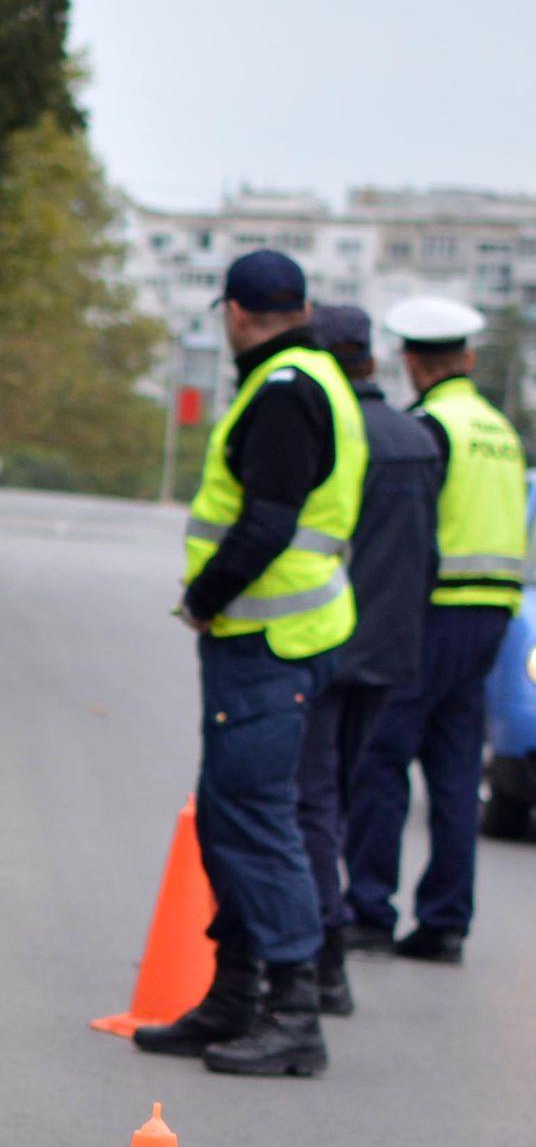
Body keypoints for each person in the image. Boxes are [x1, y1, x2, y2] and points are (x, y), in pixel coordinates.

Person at [134, 251, 364, 1077]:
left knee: (259, 819)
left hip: (270, 641)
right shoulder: (318, 376)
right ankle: (235, 994)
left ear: (235, 313)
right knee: (233, 814)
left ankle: (294, 1010)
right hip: (275, 640)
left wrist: (205, 594)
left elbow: (268, 522)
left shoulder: (283, 389)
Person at [341, 297, 529, 962]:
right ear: (469, 359)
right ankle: (445, 922)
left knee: (382, 757)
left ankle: (367, 906)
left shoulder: (431, 429)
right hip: (491, 619)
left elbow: (412, 534)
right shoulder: (499, 429)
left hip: (435, 613)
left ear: (412, 362)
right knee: (453, 770)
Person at [288, 303, 440, 1015]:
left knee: (311, 803)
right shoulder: (417, 437)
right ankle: (326, 940)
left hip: (328, 641)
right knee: (342, 797)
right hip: (392, 652)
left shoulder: (332, 430)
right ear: (372, 358)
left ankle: (325, 959)